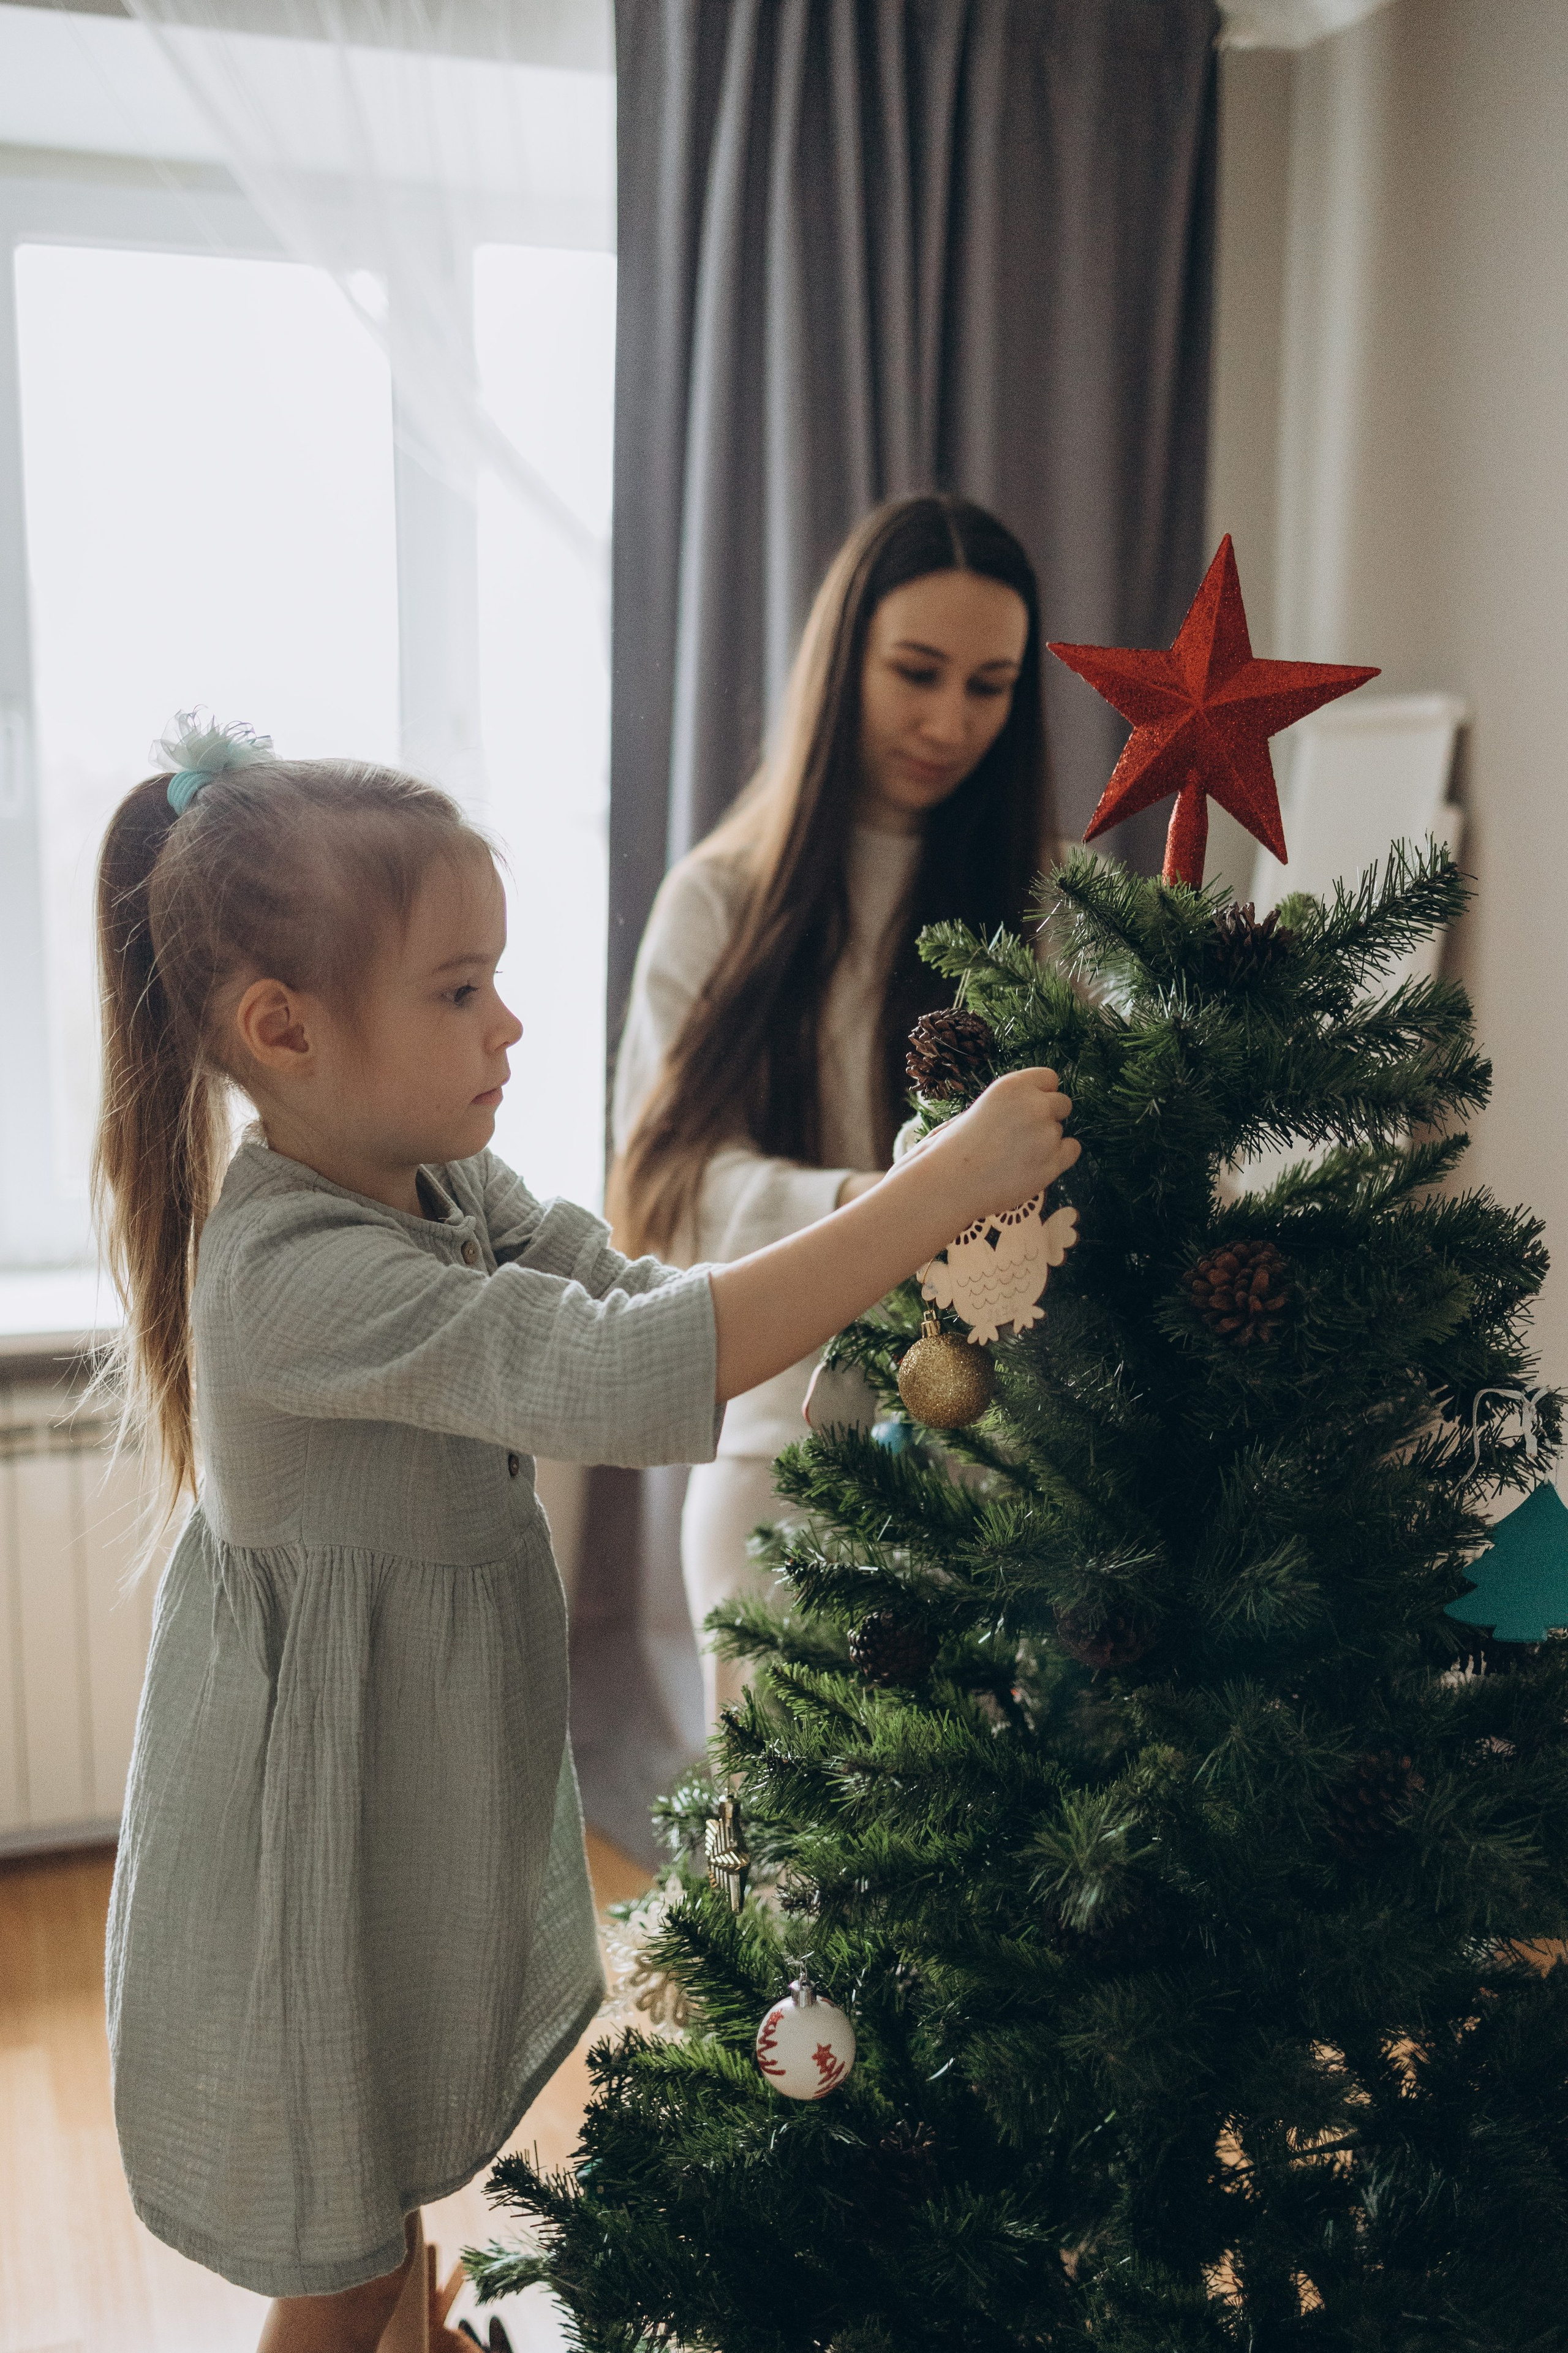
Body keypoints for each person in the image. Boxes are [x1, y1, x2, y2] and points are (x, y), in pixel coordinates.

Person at [94, 713, 1077, 2353]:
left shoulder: (444, 1190)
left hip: (400, 1786)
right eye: (457, 990)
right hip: (311, 1824)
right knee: (341, 2258)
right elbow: (623, 1372)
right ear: (284, 1029)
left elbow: (638, 1293)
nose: (509, 1022)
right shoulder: (294, 1274)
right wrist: (933, 1194)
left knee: (388, 2204)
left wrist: (895, 1203)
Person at [609, 494, 1057, 1726]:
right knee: (776, 1819)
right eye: (916, 672)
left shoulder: (1048, 912)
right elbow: (661, 1196)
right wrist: (900, 1200)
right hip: (782, 1440)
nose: (948, 722)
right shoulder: (719, 901)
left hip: (1007, 1458)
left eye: (989, 687)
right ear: (839, 660)